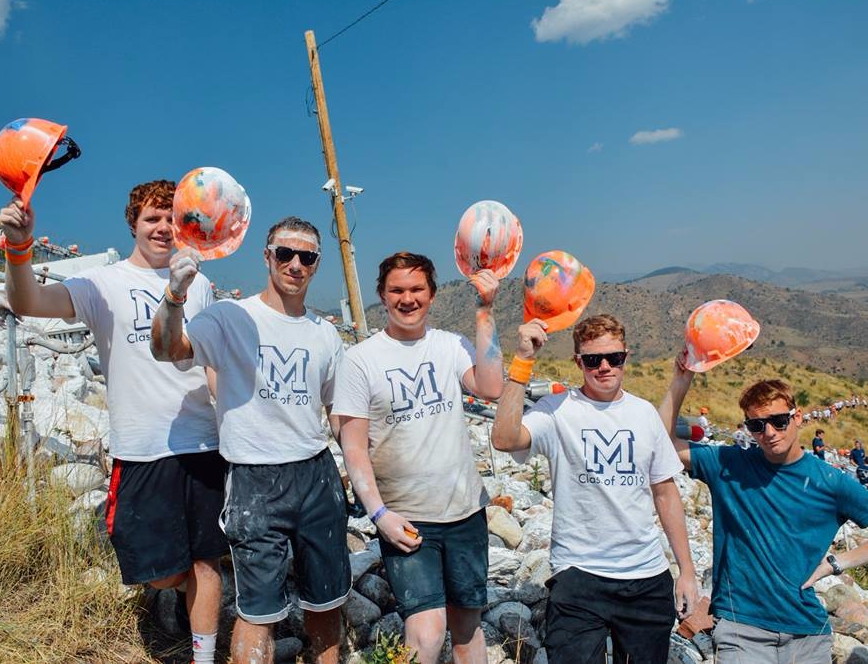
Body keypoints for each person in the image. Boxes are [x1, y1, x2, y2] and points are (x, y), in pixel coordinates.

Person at [0, 184, 225, 663]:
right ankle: (170, 588)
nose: (163, 228)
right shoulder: (103, 283)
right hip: (141, 444)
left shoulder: (199, 280)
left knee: (207, 558)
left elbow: (209, 357)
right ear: (133, 225)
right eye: (152, 219)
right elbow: (28, 303)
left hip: (202, 439)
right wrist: (19, 247)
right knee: (162, 571)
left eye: (171, 219)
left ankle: (203, 656)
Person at [150, 217, 351, 664]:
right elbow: (167, 348)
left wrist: (367, 478)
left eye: (307, 256)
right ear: (267, 257)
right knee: (257, 611)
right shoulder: (229, 317)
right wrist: (174, 294)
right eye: (285, 253)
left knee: (326, 603)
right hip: (254, 478)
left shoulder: (325, 333)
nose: (295, 264)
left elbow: (339, 414)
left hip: (316, 474)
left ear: (317, 264)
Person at [491, 314, 697, 664]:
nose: (604, 367)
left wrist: (687, 572)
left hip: (646, 578)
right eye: (592, 360)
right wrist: (523, 361)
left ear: (626, 357)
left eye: (613, 358)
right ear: (578, 362)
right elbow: (504, 438)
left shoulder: (644, 414)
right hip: (578, 576)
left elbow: (665, 493)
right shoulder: (557, 411)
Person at [332, 252, 504, 664]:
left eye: (416, 289)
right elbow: (353, 445)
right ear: (382, 295)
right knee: (426, 635)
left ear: (431, 294)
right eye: (397, 290)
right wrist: (378, 515)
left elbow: (492, 386)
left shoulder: (450, 346)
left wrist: (485, 310)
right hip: (407, 519)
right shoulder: (360, 361)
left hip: (465, 512)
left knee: (467, 628)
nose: (407, 299)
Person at [661, 357, 868, 663]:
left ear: (798, 417)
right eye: (756, 425)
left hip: (808, 633)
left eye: (779, 421)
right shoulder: (729, 464)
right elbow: (661, 443)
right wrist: (680, 382)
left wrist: (836, 563)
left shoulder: (831, 481)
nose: (770, 432)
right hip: (741, 627)